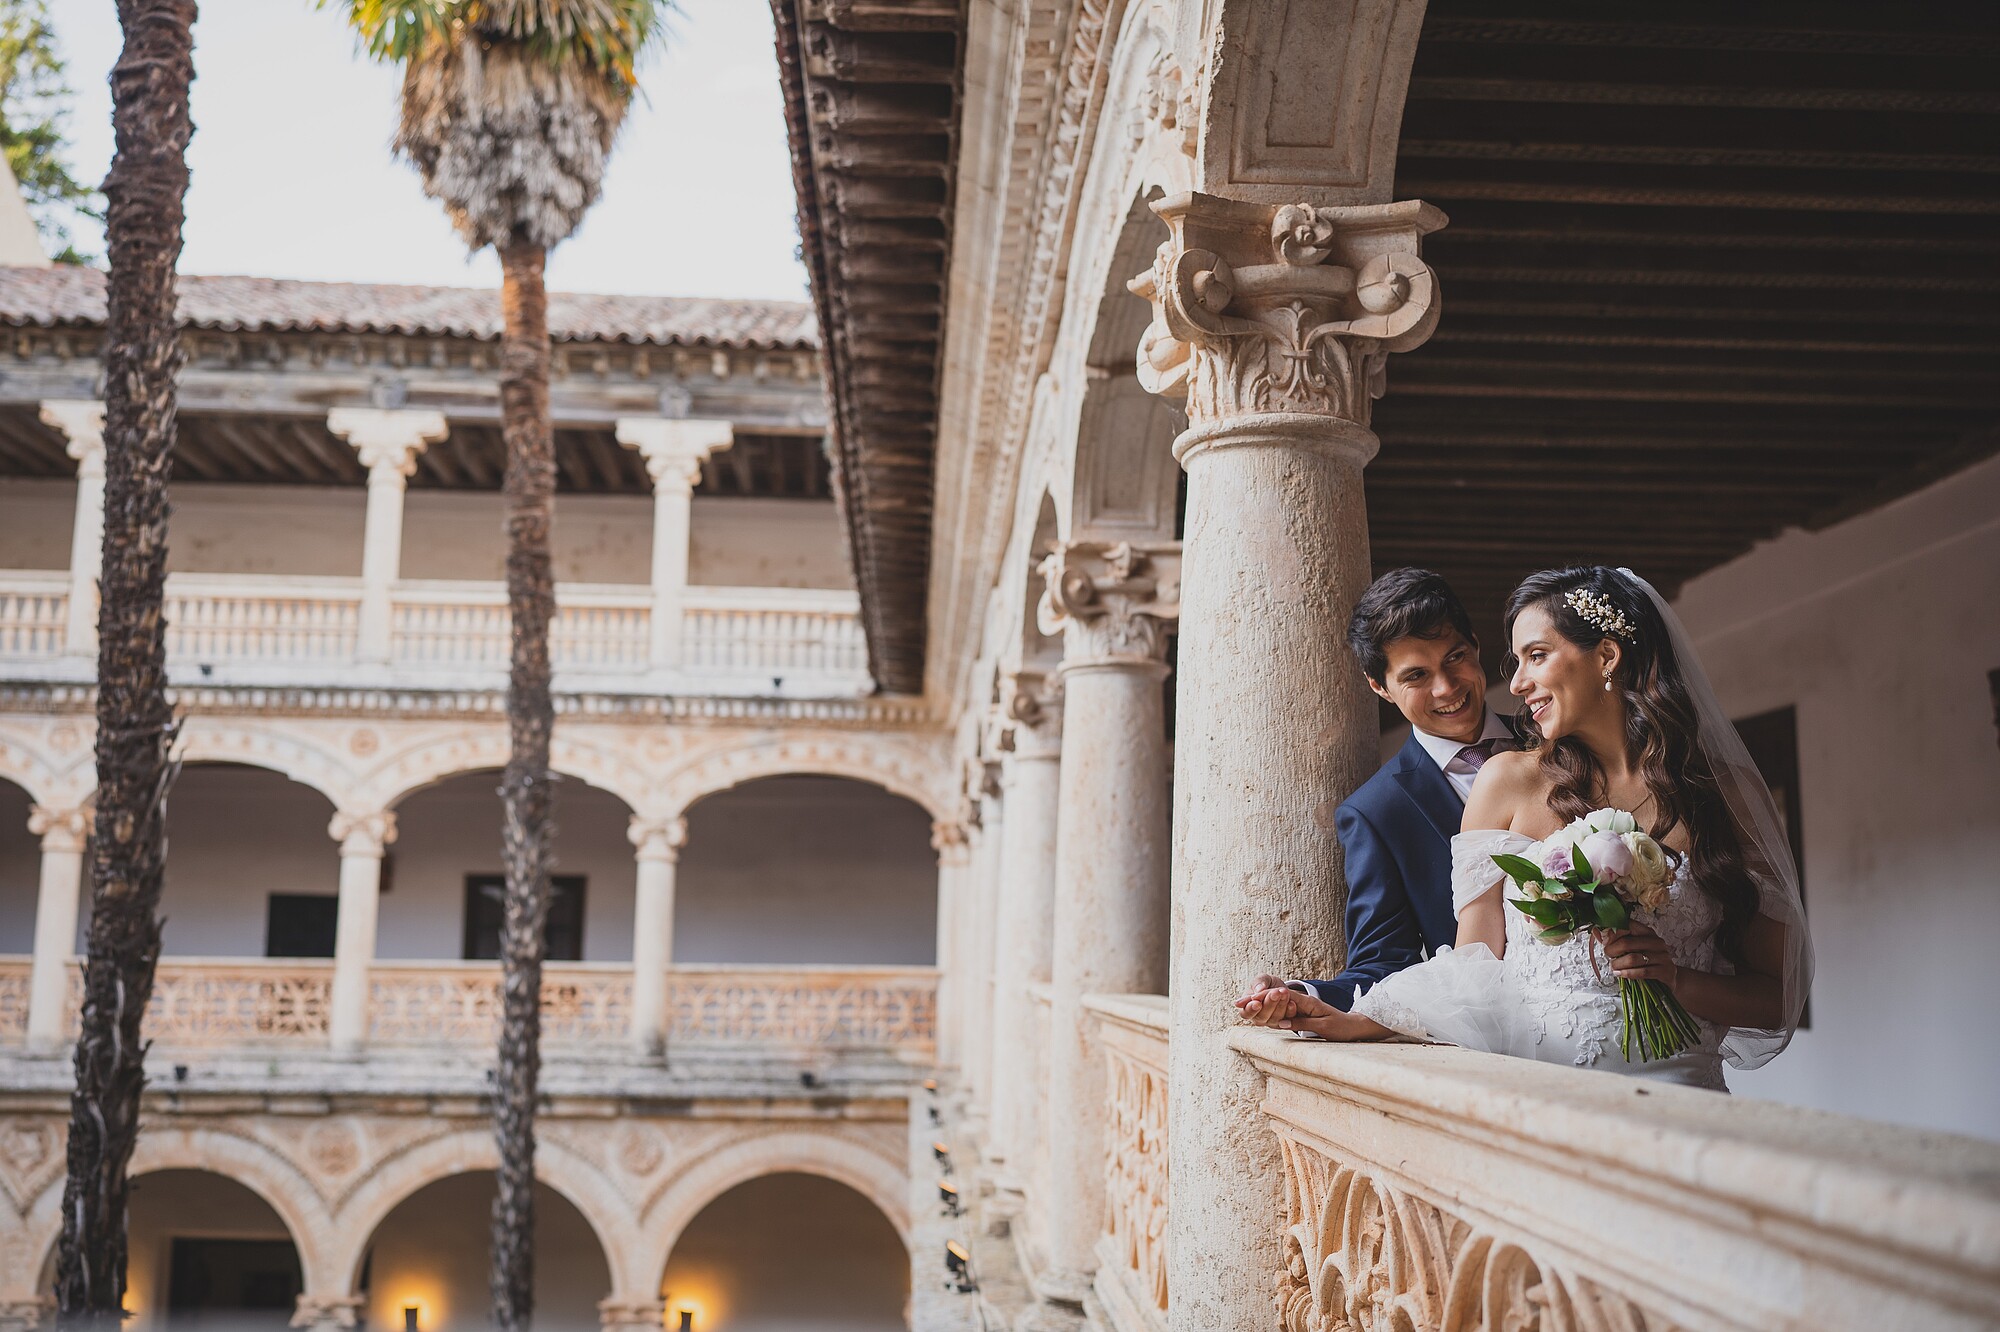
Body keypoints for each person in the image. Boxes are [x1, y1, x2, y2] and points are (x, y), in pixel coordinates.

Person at [1235, 566, 1812, 1090]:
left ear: (1606, 656)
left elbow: (1774, 997)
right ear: (1381, 686)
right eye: (1517, 662)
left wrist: (1675, 980)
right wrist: (1351, 1016)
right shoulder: (1504, 782)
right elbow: (1471, 968)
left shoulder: (1727, 795)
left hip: (1682, 1095)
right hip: (1541, 1096)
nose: (1514, 684)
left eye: (1535, 656)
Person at [1244, 568, 1515, 1011]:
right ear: (1379, 687)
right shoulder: (1376, 813)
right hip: (1495, 1030)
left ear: (1476, 646)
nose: (1446, 687)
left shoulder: (1556, 742)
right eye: (1415, 677)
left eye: (1455, 657)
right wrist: (1304, 993)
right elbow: (1382, 961)